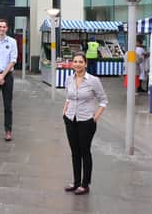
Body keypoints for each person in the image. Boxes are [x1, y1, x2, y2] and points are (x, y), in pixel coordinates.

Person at [63, 52, 108, 195]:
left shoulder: (93, 80)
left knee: (84, 151)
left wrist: (94, 118)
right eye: (75, 61)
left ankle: (85, 184)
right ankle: (76, 182)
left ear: (86, 64)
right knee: (74, 152)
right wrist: (64, 112)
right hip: (70, 119)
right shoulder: (69, 79)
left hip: (86, 121)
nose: (77, 64)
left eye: (80, 62)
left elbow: (103, 100)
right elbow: (68, 97)